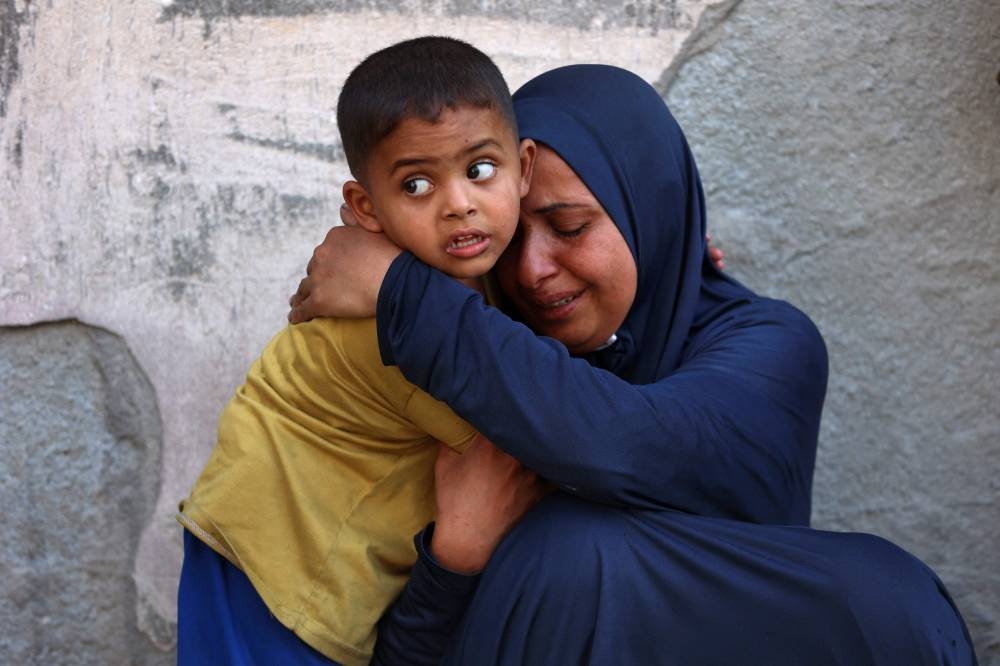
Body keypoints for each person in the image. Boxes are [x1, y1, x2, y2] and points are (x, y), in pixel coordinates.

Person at [290, 64, 977, 664]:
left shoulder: (771, 345)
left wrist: (400, 292)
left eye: (569, 227)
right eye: (507, 241)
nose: (530, 271)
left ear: (653, 214)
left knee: (891, 602)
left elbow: (623, 442)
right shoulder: (481, 361)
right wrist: (456, 557)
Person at [175, 36, 540, 666]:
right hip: (272, 566)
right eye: (418, 184)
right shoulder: (389, 328)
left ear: (523, 169)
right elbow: (534, 432)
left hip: (276, 542)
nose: (458, 203)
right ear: (365, 209)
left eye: (480, 170)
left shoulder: (453, 286)